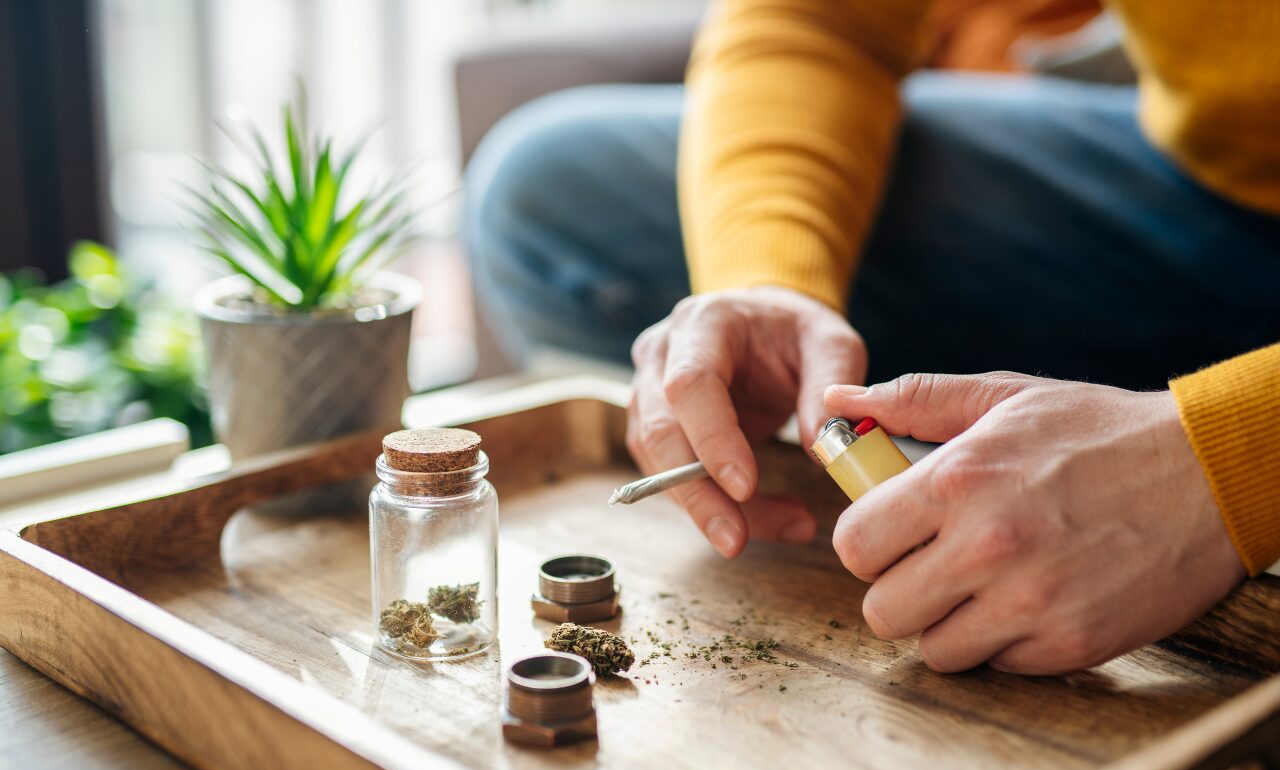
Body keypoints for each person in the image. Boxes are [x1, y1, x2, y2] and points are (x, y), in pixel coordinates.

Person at [463, 0, 1280, 675]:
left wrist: (1220, 458)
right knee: (548, 194)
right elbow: (819, 20)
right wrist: (768, 282)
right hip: (1229, 199)